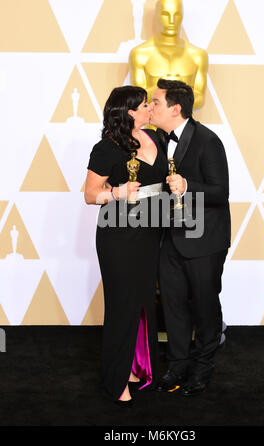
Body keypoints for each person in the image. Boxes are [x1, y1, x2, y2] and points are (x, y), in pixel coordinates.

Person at [84, 86, 168, 406]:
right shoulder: (107, 148)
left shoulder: (156, 138)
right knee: (121, 306)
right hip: (118, 237)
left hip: (149, 236)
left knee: (143, 303)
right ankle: (117, 378)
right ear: (131, 112)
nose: (150, 108)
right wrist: (117, 194)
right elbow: (91, 194)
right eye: (145, 105)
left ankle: (136, 368)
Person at [149, 78, 231, 396]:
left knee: (205, 307)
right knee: (172, 306)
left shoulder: (208, 142)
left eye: (156, 101)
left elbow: (220, 192)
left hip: (205, 241)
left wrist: (187, 186)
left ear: (176, 108)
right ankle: (177, 367)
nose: (151, 106)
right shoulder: (157, 139)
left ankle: (203, 370)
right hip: (170, 238)